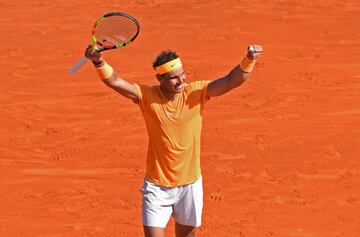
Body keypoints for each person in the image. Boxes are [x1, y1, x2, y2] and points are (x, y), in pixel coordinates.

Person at [84, 44, 263, 237]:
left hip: (189, 185)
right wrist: (98, 62)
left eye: (182, 74)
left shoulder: (195, 92)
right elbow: (116, 82)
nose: (181, 81)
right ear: (159, 79)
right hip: (156, 187)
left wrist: (249, 59)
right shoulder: (146, 96)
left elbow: (230, 81)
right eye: (174, 78)